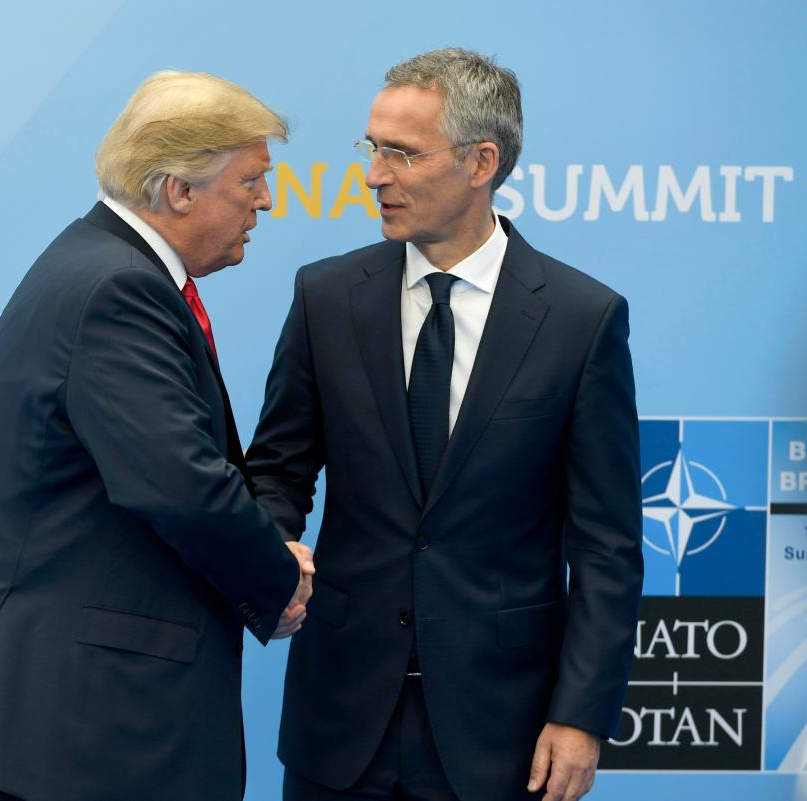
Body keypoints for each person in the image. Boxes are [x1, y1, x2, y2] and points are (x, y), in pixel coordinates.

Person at [0, 70, 314, 801]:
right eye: (251, 180)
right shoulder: (120, 287)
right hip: (63, 730)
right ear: (180, 190)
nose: (266, 202)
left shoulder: (94, 265)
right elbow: (179, 483)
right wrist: (277, 580)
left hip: (44, 726)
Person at [246, 48, 643, 801]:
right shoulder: (328, 297)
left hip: (503, 732)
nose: (374, 175)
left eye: (402, 152)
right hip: (340, 723)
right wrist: (271, 550)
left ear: (480, 161)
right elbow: (277, 469)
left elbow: (607, 545)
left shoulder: (580, 321)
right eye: (372, 148)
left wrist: (582, 715)